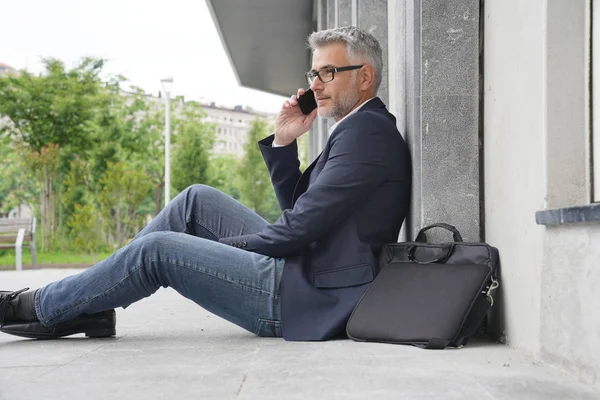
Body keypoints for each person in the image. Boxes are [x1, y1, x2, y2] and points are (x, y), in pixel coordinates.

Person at [0, 26, 411, 341]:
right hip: (305, 265)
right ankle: (85, 302)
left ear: (364, 77)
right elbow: (302, 212)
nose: (315, 84)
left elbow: (299, 229)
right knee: (196, 200)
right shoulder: (357, 128)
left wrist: (211, 250)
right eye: (314, 72)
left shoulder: (367, 134)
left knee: (157, 251)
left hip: (305, 294)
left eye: (329, 72)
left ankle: (45, 306)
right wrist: (285, 141)